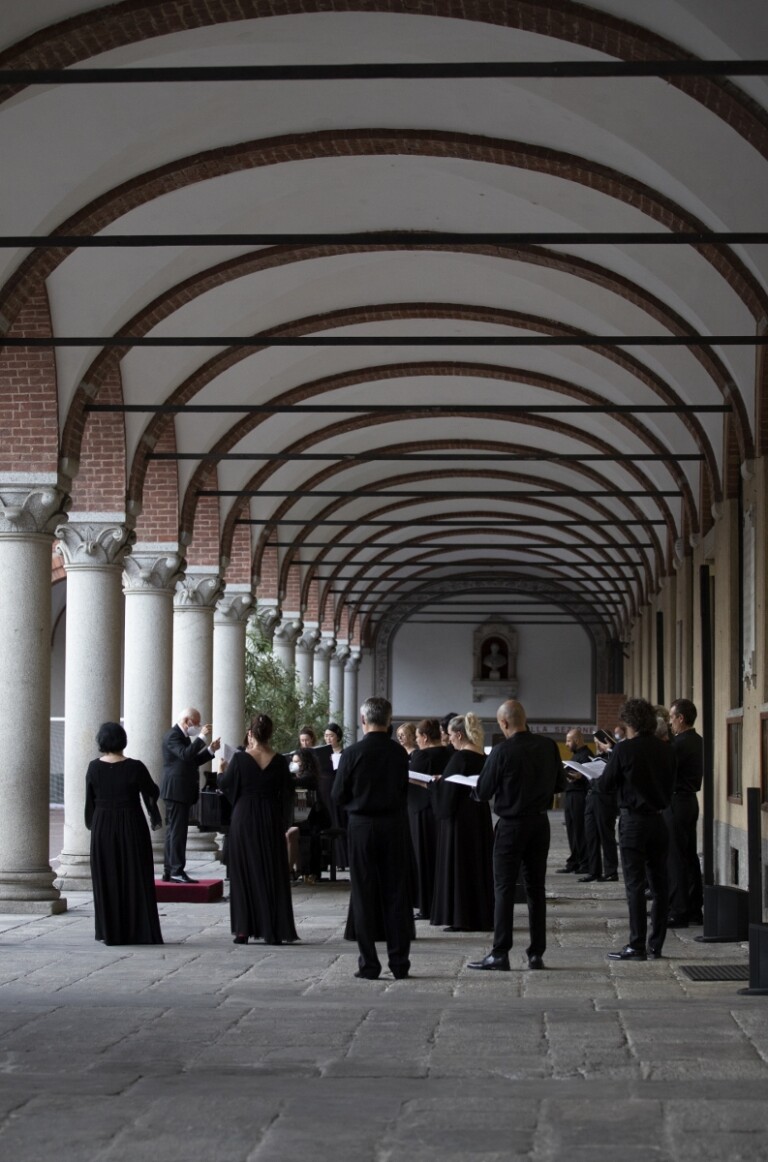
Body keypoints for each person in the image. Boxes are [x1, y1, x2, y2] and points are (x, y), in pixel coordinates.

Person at [468, 700, 563, 972]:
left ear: (504, 723)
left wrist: (475, 791)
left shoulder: (501, 751)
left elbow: (483, 791)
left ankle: (500, 953)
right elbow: (559, 784)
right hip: (539, 824)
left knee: (504, 889)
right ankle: (536, 953)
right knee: (536, 889)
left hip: (510, 826)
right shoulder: (548, 746)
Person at [332, 696, 411, 980]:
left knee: (364, 895)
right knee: (396, 894)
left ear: (363, 721)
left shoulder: (351, 754)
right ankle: (400, 963)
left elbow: (337, 795)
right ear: (390, 721)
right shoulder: (399, 753)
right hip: (393, 826)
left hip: (362, 827)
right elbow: (404, 790)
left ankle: (369, 965)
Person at [595, 697, 677, 960]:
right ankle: (657, 944)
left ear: (628, 722)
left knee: (635, 885)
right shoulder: (666, 749)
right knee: (660, 884)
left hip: (632, 822)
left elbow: (606, 784)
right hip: (659, 820)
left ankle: (636, 944)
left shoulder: (623, 750)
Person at [218, 713, 298, 945]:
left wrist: (222, 770)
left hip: (244, 817)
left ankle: (243, 929)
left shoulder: (241, 760)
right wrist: (283, 820)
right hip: (270, 817)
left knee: (243, 872)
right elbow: (288, 793)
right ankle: (272, 930)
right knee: (271, 870)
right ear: (271, 734)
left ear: (250, 734)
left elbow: (225, 786)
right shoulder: (280, 761)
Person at [84, 721, 163, 946]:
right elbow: (152, 791)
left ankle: (110, 932)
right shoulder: (135, 767)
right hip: (131, 825)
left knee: (107, 876)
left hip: (102, 826)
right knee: (135, 874)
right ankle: (138, 929)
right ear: (123, 740)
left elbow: (89, 801)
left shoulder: (93, 767)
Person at [430, 713, 494, 932]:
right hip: (479, 814)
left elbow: (448, 793)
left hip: (460, 819)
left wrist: (434, 785)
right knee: (476, 863)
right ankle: (479, 915)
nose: (448, 739)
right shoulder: (483, 756)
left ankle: (461, 916)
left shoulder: (460, 758)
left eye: (449, 735)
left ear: (458, 734)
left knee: (461, 864)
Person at [160, 707, 220, 884]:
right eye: (197, 722)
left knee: (174, 832)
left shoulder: (183, 738)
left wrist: (210, 750)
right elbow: (185, 755)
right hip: (175, 790)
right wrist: (201, 737)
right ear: (187, 721)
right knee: (176, 833)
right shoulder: (173, 735)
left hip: (180, 791)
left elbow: (192, 760)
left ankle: (170, 870)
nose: (199, 726)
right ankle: (176, 870)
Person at [408, 718, 452, 920]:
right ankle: (443, 902)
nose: (417, 741)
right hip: (443, 811)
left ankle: (426, 906)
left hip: (422, 812)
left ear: (425, 737)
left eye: (417, 737)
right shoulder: (450, 753)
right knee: (440, 858)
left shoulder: (422, 756)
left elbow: (411, 782)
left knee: (423, 859)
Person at [666, 698, 704, 927]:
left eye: (672, 718)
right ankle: (693, 908)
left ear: (681, 718)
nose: (670, 723)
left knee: (675, 858)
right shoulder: (697, 740)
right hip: (690, 801)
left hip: (677, 802)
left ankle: (679, 911)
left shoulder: (679, 744)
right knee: (689, 856)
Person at [286, 746, 331, 882]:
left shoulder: (309, 777)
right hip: (302, 815)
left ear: (305, 763)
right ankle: (295, 869)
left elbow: (294, 784)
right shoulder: (298, 776)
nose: (295, 765)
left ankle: (294, 870)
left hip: (313, 819)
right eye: (293, 761)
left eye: (298, 762)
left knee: (294, 834)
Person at [579, 733, 619, 884]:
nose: (597, 746)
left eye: (599, 743)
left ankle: (611, 871)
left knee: (606, 835)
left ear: (606, 742)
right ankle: (594, 871)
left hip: (605, 799)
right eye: (595, 743)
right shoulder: (595, 758)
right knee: (590, 835)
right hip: (592, 798)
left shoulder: (613, 756)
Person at [555, 728, 592, 875]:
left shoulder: (587, 755)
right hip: (570, 795)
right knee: (572, 830)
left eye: (569, 741)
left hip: (579, 796)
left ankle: (584, 863)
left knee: (580, 830)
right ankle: (574, 861)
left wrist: (580, 777)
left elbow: (591, 776)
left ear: (577, 740)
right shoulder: (575, 756)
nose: (566, 744)